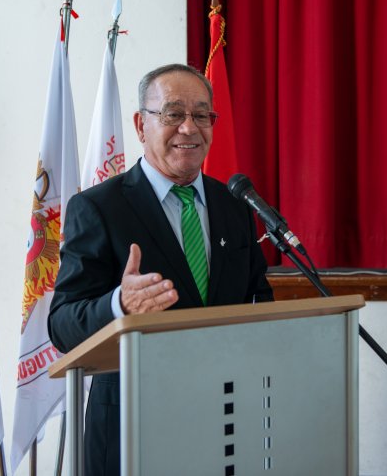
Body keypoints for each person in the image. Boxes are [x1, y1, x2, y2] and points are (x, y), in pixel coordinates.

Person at [48, 63, 273, 475]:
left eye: (201, 115)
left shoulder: (234, 206)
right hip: (133, 428)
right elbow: (62, 325)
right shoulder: (98, 208)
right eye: (173, 114)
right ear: (141, 125)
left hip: (225, 423)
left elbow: (257, 297)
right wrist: (120, 306)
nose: (189, 128)